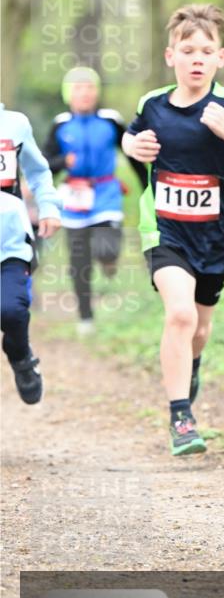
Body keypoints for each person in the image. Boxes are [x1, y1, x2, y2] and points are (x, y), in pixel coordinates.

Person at [122, 3, 224, 456]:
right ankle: (180, 417)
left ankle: (188, 370)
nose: (196, 58)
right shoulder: (151, 105)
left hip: (213, 238)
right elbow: (131, 137)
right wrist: (133, 144)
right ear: (170, 56)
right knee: (180, 315)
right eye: (187, 49)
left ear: (220, 59)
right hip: (163, 231)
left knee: (199, 329)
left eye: (205, 50)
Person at [43, 67, 147, 334]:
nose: (85, 93)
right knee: (79, 262)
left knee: (106, 247)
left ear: (97, 92)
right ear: (69, 95)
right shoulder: (61, 124)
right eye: (78, 88)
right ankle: (85, 317)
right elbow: (45, 164)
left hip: (106, 193)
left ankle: (109, 261)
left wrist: (148, 185)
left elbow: (133, 155)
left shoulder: (111, 121)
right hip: (74, 198)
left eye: (90, 88)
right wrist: (62, 162)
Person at [1, 104, 61, 403]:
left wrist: (48, 207)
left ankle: (21, 357)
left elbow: (39, 173)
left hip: (9, 243)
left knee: (11, 311)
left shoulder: (14, 124)